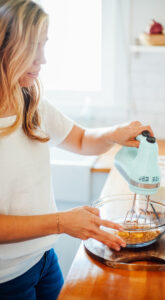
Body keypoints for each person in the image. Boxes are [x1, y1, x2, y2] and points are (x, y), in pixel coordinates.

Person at [0, 0, 154, 299]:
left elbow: (82, 140)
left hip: (44, 262)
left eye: (44, 45)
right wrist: (61, 222)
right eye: (33, 47)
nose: (42, 59)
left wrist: (117, 133)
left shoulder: (30, 102)